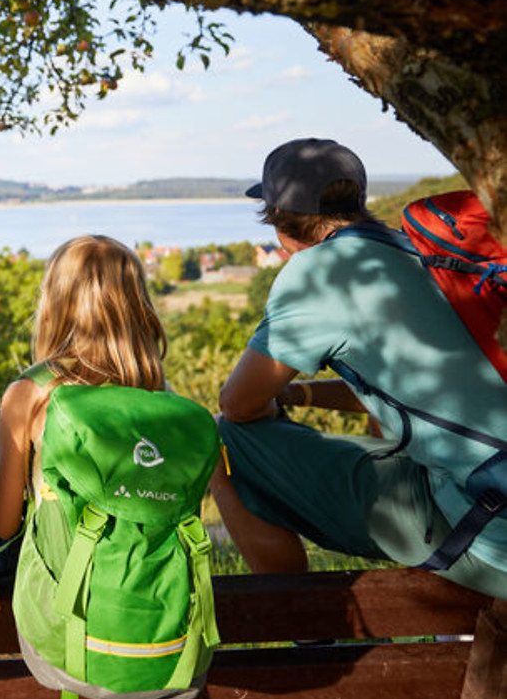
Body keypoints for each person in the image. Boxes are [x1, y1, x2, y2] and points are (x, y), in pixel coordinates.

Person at [211, 138, 507, 598]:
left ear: (278, 220)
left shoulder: (319, 273)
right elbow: (410, 386)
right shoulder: (420, 253)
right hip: (489, 493)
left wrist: (272, 403)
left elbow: (238, 405)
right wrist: (300, 394)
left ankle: (304, 632)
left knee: (224, 440)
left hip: (484, 530)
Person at [0, 234, 182, 587]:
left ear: (54, 304)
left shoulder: (31, 392)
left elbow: (4, 525)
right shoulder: (160, 393)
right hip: (139, 567)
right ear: (138, 306)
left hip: (58, 566)